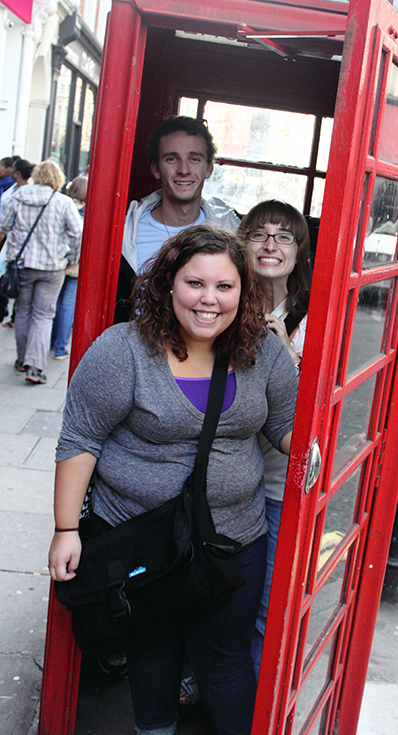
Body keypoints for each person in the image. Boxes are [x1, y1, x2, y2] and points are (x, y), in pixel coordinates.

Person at [48, 226, 297, 735]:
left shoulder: (263, 353)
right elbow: (80, 439)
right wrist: (66, 529)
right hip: (142, 540)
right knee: (151, 651)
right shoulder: (123, 351)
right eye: (195, 283)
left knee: (225, 660)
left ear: (242, 293)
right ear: (167, 284)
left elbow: (287, 428)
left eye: (225, 287)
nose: (209, 300)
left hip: (232, 540)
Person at [239, 200, 311, 676]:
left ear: (299, 251)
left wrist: (282, 345)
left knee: (266, 608)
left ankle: (251, 708)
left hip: (279, 485)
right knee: (214, 597)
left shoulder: (314, 319)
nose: (270, 245)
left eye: (283, 236)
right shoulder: (219, 300)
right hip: (224, 483)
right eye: (259, 233)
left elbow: (317, 410)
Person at [115, 115, 240, 322]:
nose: (183, 170)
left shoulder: (230, 231)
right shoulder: (127, 230)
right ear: (156, 169)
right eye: (172, 159)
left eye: (194, 159)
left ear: (209, 168)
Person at [0, 160, 82, 384]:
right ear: (58, 179)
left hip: (23, 264)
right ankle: (35, 366)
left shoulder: (19, 196)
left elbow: (3, 227)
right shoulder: (63, 202)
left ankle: (22, 359)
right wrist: (71, 258)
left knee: (23, 311)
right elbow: (78, 233)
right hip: (53, 266)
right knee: (44, 315)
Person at [50, 176, 88, 359]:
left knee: (56, 302)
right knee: (68, 305)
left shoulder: (61, 203)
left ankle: (50, 340)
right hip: (74, 263)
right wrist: (73, 258)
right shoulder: (85, 211)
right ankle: (60, 347)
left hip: (57, 261)